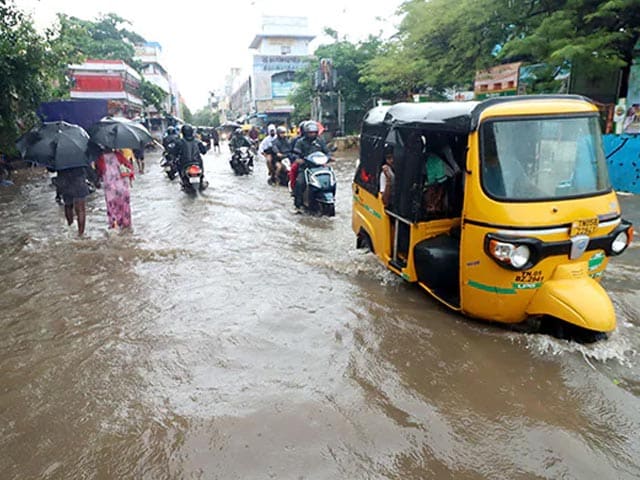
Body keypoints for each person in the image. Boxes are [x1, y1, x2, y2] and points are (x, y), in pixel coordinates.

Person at [291, 121, 332, 211]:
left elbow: (327, 152)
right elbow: (295, 154)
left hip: (319, 167)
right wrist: (299, 160)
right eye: (310, 132)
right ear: (305, 133)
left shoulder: (320, 141)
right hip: (305, 167)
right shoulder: (300, 142)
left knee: (330, 180)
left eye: (314, 132)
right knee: (300, 182)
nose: (312, 134)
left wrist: (329, 157)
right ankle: (298, 204)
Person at [95, 148, 134, 230]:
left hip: (110, 189)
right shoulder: (119, 155)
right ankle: (126, 227)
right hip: (122, 187)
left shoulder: (100, 158)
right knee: (124, 207)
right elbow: (129, 168)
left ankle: (114, 225)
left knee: (112, 208)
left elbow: (99, 172)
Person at [56, 166, 91, 236]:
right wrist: (95, 179)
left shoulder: (59, 156)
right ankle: (81, 233)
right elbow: (87, 166)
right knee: (81, 209)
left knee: (68, 205)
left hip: (64, 182)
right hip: (79, 181)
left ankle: (70, 227)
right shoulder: (79, 155)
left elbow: (52, 168)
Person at [176, 124, 208, 191]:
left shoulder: (179, 142)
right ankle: (201, 179)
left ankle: (184, 181)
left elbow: (174, 153)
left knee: (178, 166)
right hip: (197, 163)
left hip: (184, 164)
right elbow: (204, 151)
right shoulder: (198, 141)